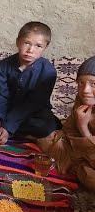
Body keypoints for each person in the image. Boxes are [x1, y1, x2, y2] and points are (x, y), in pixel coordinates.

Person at [0, 22, 62, 143]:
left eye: (38, 46)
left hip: (31, 110)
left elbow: (33, 103)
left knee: (46, 127)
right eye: (27, 43)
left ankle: (6, 133)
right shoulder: (4, 65)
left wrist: (8, 128)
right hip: (4, 106)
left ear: (45, 47)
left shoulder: (48, 71)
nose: (31, 50)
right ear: (17, 42)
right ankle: (7, 132)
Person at [37, 56, 95, 192]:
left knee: (91, 178)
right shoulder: (83, 101)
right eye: (81, 83)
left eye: (93, 84)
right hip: (78, 151)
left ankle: (76, 167)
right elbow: (68, 130)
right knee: (44, 136)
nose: (85, 90)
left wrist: (83, 127)